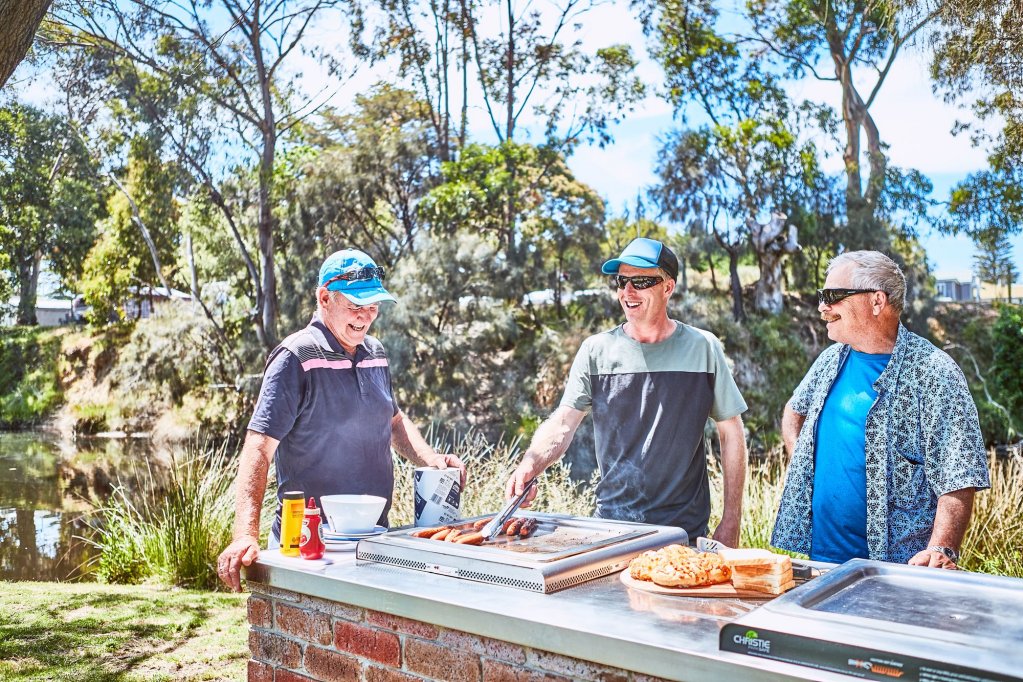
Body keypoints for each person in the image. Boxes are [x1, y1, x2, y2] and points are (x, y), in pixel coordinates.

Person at [217, 249, 465, 591]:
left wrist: (431, 459)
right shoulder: (294, 357)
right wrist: (244, 534)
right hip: (309, 552)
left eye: (373, 306)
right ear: (324, 298)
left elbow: (392, 421)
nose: (365, 316)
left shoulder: (375, 353)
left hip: (376, 544)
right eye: (355, 305)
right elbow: (259, 449)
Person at [504, 237, 749, 547]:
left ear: (668, 287)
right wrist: (531, 463)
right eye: (622, 281)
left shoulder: (704, 348)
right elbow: (563, 423)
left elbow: (732, 434)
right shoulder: (595, 351)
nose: (627, 292)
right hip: (611, 530)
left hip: (685, 533)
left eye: (641, 281)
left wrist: (731, 521)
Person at [771, 251, 990, 569]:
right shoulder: (831, 359)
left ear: (877, 301)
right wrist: (803, 459)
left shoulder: (933, 371)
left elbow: (958, 476)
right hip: (822, 562)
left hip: (895, 572)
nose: (823, 307)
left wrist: (941, 549)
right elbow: (795, 409)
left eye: (833, 296)